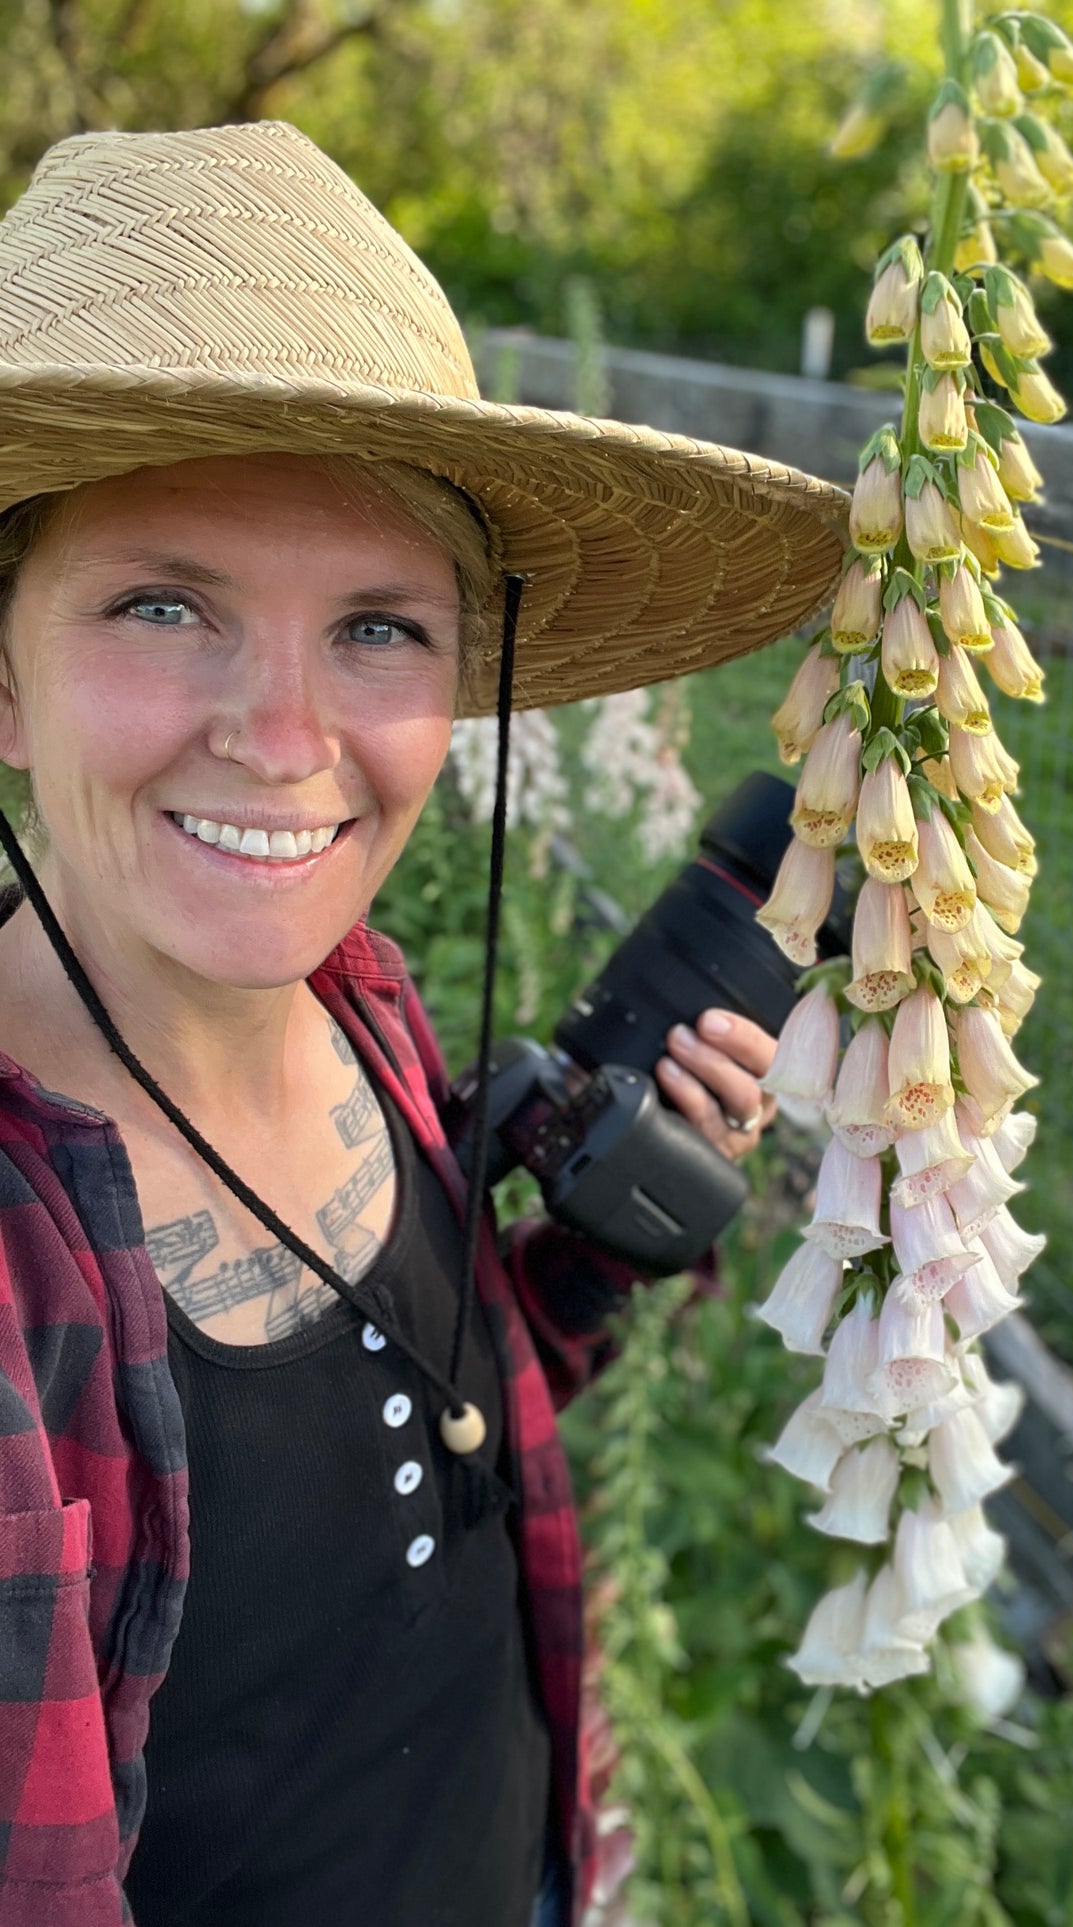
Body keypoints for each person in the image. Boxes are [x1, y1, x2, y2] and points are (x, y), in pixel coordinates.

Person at [0, 121, 846, 1926]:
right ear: (1, 672)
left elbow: (439, 1412)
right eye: (165, 604)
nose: (287, 737)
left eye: (380, 629)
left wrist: (596, 1255)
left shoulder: (361, 995)